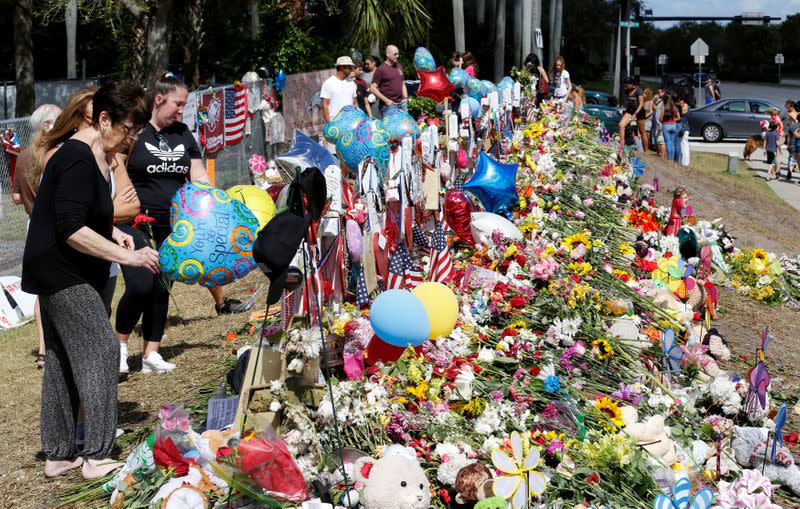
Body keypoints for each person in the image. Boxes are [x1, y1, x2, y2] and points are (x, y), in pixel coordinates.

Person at [22, 80, 159, 480]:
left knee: (63, 360)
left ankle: (59, 454)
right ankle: (97, 455)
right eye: (130, 129)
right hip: (61, 272)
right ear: (103, 119)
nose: (133, 138)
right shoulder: (78, 158)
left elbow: (83, 214)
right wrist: (127, 256)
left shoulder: (98, 155)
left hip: (62, 270)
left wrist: (112, 231)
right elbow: (68, 228)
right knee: (101, 348)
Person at [116, 72, 246, 375]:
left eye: (184, 104)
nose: (181, 110)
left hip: (174, 227)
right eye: (178, 103)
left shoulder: (184, 134)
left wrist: (214, 209)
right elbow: (116, 169)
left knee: (162, 285)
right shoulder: (134, 133)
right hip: (134, 224)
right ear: (159, 99)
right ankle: (119, 347)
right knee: (139, 284)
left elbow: (199, 178)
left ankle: (151, 353)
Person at [11, 104, 61, 369]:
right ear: (47, 125)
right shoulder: (52, 155)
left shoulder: (23, 157)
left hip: (34, 225)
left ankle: (43, 349)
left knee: (42, 292)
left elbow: (17, 198)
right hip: (55, 226)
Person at [370, 45, 409, 116]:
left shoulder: (399, 66)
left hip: (402, 104)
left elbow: (402, 83)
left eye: (398, 54)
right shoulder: (381, 69)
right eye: (395, 54)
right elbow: (372, 88)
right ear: (388, 54)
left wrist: (405, 98)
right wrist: (386, 101)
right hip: (388, 105)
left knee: (405, 125)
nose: (397, 56)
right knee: (392, 127)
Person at [320, 56, 357, 123]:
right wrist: (330, 124)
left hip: (351, 123)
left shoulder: (352, 83)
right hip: (335, 124)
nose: (352, 70)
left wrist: (356, 120)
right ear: (342, 67)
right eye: (350, 67)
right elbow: (325, 105)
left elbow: (355, 103)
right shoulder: (328, 83)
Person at [619, 77, 647, 154]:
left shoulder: (638, 90)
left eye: (627, 84)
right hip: (630, 111)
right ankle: (621, 146)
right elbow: (628, 102)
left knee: (642, 132)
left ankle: (646, 151)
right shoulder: (626, 90)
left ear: (632, 84)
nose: (626, 86)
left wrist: (635, 114)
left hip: (639, 112)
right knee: (621, 125)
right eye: (625, 84)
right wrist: (624, 111)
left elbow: (641, 103)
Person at [661, 95, 681, 163]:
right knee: (672, 143)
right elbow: (679, 117)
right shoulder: (674, 107)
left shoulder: (664, 107)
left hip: (666, 125)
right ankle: (672, 159)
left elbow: (661, 118)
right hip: (673, 125)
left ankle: (669, 159)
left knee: (668, 142)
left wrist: (661, 120)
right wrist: (674, 120)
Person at [650, 87, 666, 158]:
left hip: (660, 122)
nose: (659, 94)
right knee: (658, 139)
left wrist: (660, 122)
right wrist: (653, 102)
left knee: (661, 140)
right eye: (658, 92)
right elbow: (655, 109)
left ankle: (663, 156)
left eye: (661, 92)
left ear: (664, 92)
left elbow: (662, 112)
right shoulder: (659, 101)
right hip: (657, 122)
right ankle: (659, 154)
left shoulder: (664, 101)